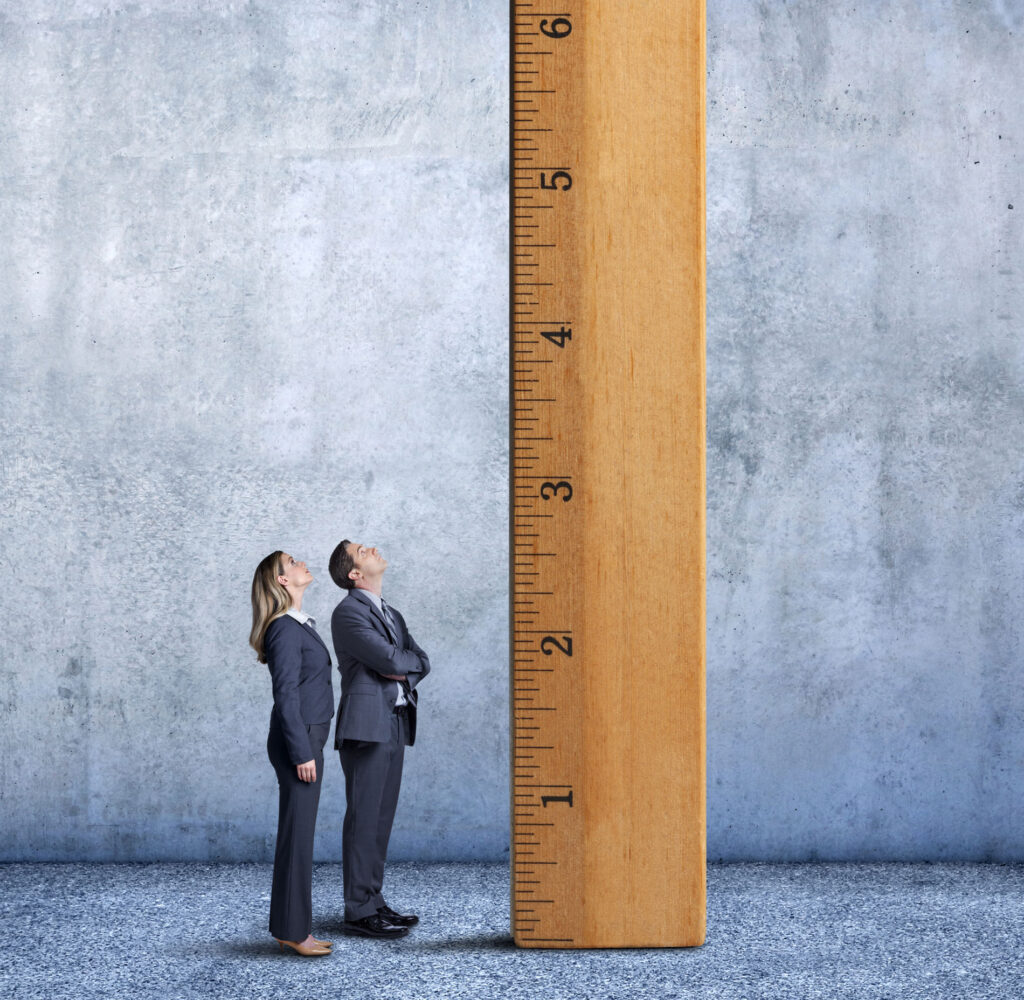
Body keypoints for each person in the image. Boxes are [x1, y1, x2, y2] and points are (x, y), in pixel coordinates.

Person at [328, 539, 431, 938]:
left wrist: (402, 665)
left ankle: (373, 901)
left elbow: (420, 660)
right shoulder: (348, 613)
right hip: (365, 725)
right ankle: (357, 909)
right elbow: (391, 660)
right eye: (361, 550)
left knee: (380, 819)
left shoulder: (392, 613)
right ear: (354, 573)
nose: (371, 549)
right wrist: (402, 663)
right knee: (363, 818)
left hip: (395, 721)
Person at [249, 551, 335, 957]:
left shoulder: (299, 625)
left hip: (306, 739)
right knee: (297, 838)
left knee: (298, 835)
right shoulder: (284, 628)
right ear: (282, 580)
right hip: (297, 743)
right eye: (293, 562)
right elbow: (285, 695)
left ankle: (292, 926)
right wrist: (303, 752)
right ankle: (293, 931)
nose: (302, 564)